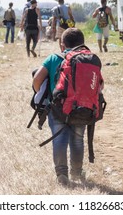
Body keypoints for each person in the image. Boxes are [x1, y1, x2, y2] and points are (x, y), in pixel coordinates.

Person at [33, 28, 98, 186]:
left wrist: (41, 93)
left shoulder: (53, 58)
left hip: (57, 107)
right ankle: (76, 172)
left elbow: (37, 79)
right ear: (83, 44)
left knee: (59, 139)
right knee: (77, 140)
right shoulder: (89, 59)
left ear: (62, 45)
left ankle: (62, 173)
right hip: (82, 108)